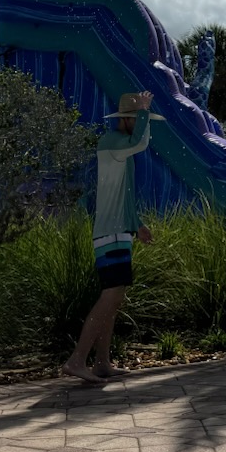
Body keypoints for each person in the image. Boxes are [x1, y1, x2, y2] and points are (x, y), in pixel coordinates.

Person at [65, 91, 154, 386]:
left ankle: (102, 362)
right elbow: (141, 142)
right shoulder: (114, 142)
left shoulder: (119, 147)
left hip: (118, 231)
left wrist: (137, 225)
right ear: (126, 119)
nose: (141, 124)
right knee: (110, 297)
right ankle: (77, 360)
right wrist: (144, 110)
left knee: (114, 299)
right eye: (138, 119)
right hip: (110, 234)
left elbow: (122, 194)